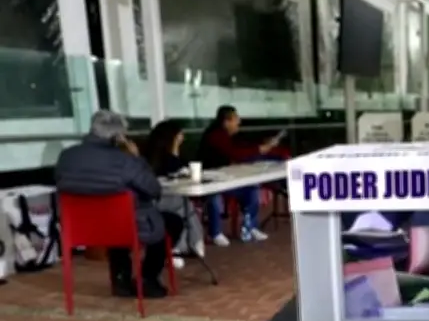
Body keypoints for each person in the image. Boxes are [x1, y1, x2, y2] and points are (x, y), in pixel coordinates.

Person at [55, 110, 183, 298]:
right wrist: (137, 158)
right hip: (122, 225)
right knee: (171, 222)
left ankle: (121, 279)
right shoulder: (126, 161)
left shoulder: (66, 156)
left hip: (80, 228)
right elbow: (153, 189)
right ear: (118, 136)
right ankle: (147, 278)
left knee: (114, 216)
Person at [196, 105, 279, 244]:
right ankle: (215, 232)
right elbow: (235, 153)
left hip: (226, 179)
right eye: (236, 119)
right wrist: (260, 149)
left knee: (251, 188)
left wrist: (261, 146)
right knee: (214, 195)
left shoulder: (229, 136)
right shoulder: (215, 135)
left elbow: (242, 146)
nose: (239, 122)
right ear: (226, 122)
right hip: (210, 180)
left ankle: (250, 227)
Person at [141, 119, 205, 263]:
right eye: (180, 135)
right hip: (155, 200)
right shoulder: (162, 157)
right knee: (184, 205)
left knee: (183, 206)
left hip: (160, 197)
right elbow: (173, 167)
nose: (183, 137)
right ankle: (189, 244)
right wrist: (175, 149)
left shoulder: (152, 154)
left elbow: (181, 166)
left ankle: (185, 245)